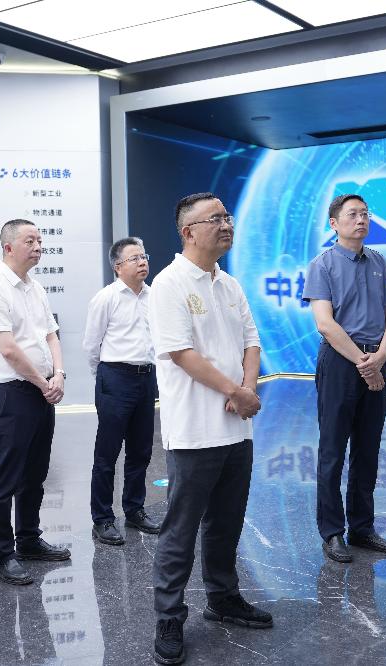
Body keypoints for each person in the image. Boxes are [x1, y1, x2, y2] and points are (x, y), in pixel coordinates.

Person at [149, 193, 270, 665]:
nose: (226, 224)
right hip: (195, 431)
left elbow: (251, 341)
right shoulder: (169, 283)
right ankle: (169, 617)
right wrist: (236, 392)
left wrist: (247, 389)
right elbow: (182, 353)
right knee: (180, 530)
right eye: (214, 219)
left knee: (226, 523)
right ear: (188, 231)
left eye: (227, 216)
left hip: (236, 430)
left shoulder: (229, 284)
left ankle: (223, 598)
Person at [0, 219, 71, 586]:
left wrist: (59, 374)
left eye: (40, 239)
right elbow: (8, 350)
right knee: (5, 477)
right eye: (30, 240)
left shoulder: (35, 287)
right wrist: (44, 383)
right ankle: (3, 555)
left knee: (35, 474)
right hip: (11, 395)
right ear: (8, 247)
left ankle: (28, 539)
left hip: (41, 392)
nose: (39, 246)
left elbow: (51, 334)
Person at [303, 194, 386, 564]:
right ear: (334, 223)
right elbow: (325, 324)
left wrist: (381, 356)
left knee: (368, 447)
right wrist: (364, 363)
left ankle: (362, 527)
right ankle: (332, 532)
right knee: (333, 449)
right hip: (342, 362)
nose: (361, 220)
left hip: (376, 358)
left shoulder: (379, 261)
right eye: (352, 214)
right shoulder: (323, 264)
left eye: (365, 214)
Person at [83, 237, 160, 545]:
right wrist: (104, 377)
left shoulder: (154, 296)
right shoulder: (106, 298)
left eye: (144, 256)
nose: (142, 262)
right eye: (134, 258)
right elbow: (91, 345)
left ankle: (134, 509)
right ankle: (102, 519)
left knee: (141, 450)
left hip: (146, 378)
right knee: (107, 453)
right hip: (115, 377)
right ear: (117, 267)